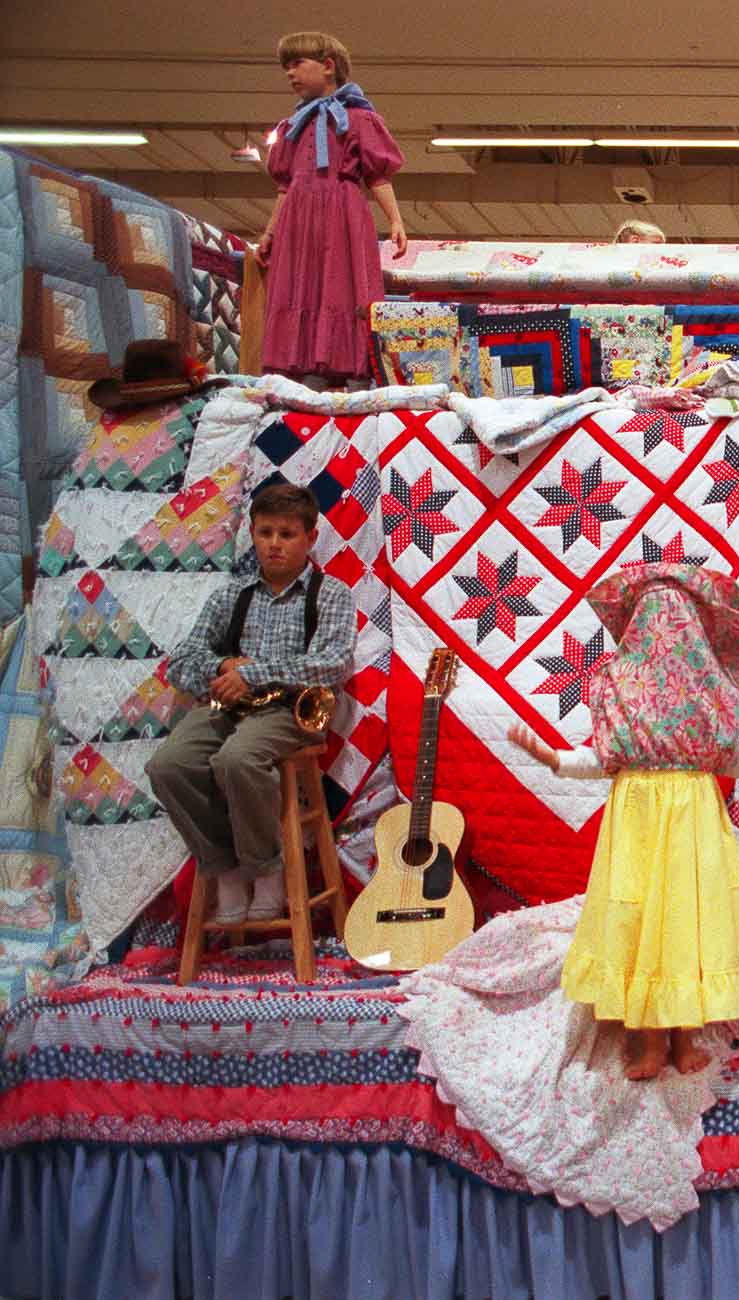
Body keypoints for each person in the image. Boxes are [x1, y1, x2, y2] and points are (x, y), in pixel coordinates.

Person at [507, 563, 739, 1079]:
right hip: (638, 824)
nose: (662, 632)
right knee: (641, 921)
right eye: (650, 619)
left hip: (692, 824)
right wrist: (552, 758)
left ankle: (684, 1034)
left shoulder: (710, 693)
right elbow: (603, 758)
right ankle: (649, 1039)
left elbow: (729, 757)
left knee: (686, 922)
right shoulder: (616, 689)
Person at [147, 484, 355, 925]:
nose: (275, 544)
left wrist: (253, 674)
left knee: (237, 761)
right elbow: (182, 661)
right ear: (252, 534)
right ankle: (224, 867)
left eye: (287, 534)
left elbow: (331, 664)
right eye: (265, 533)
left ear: (310, 538)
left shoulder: (330, 593)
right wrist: (225, 665)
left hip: (287, 712)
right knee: (167, 765)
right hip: (228, 707)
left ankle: (266, 871)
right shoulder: (231, 595)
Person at [256, 31, 406, 385]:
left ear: (327, 66)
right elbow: (284, 186)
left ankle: (351, 367)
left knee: (343, 284)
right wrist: (270, 232)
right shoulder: (292, 126)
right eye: (285, 67)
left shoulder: (358, 119)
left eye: (296, 64)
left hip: (342, 213)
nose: (289, 74)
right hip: (298, 216)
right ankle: (305, 365)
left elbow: (378, 177)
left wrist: (396, 220)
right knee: (301, 283)